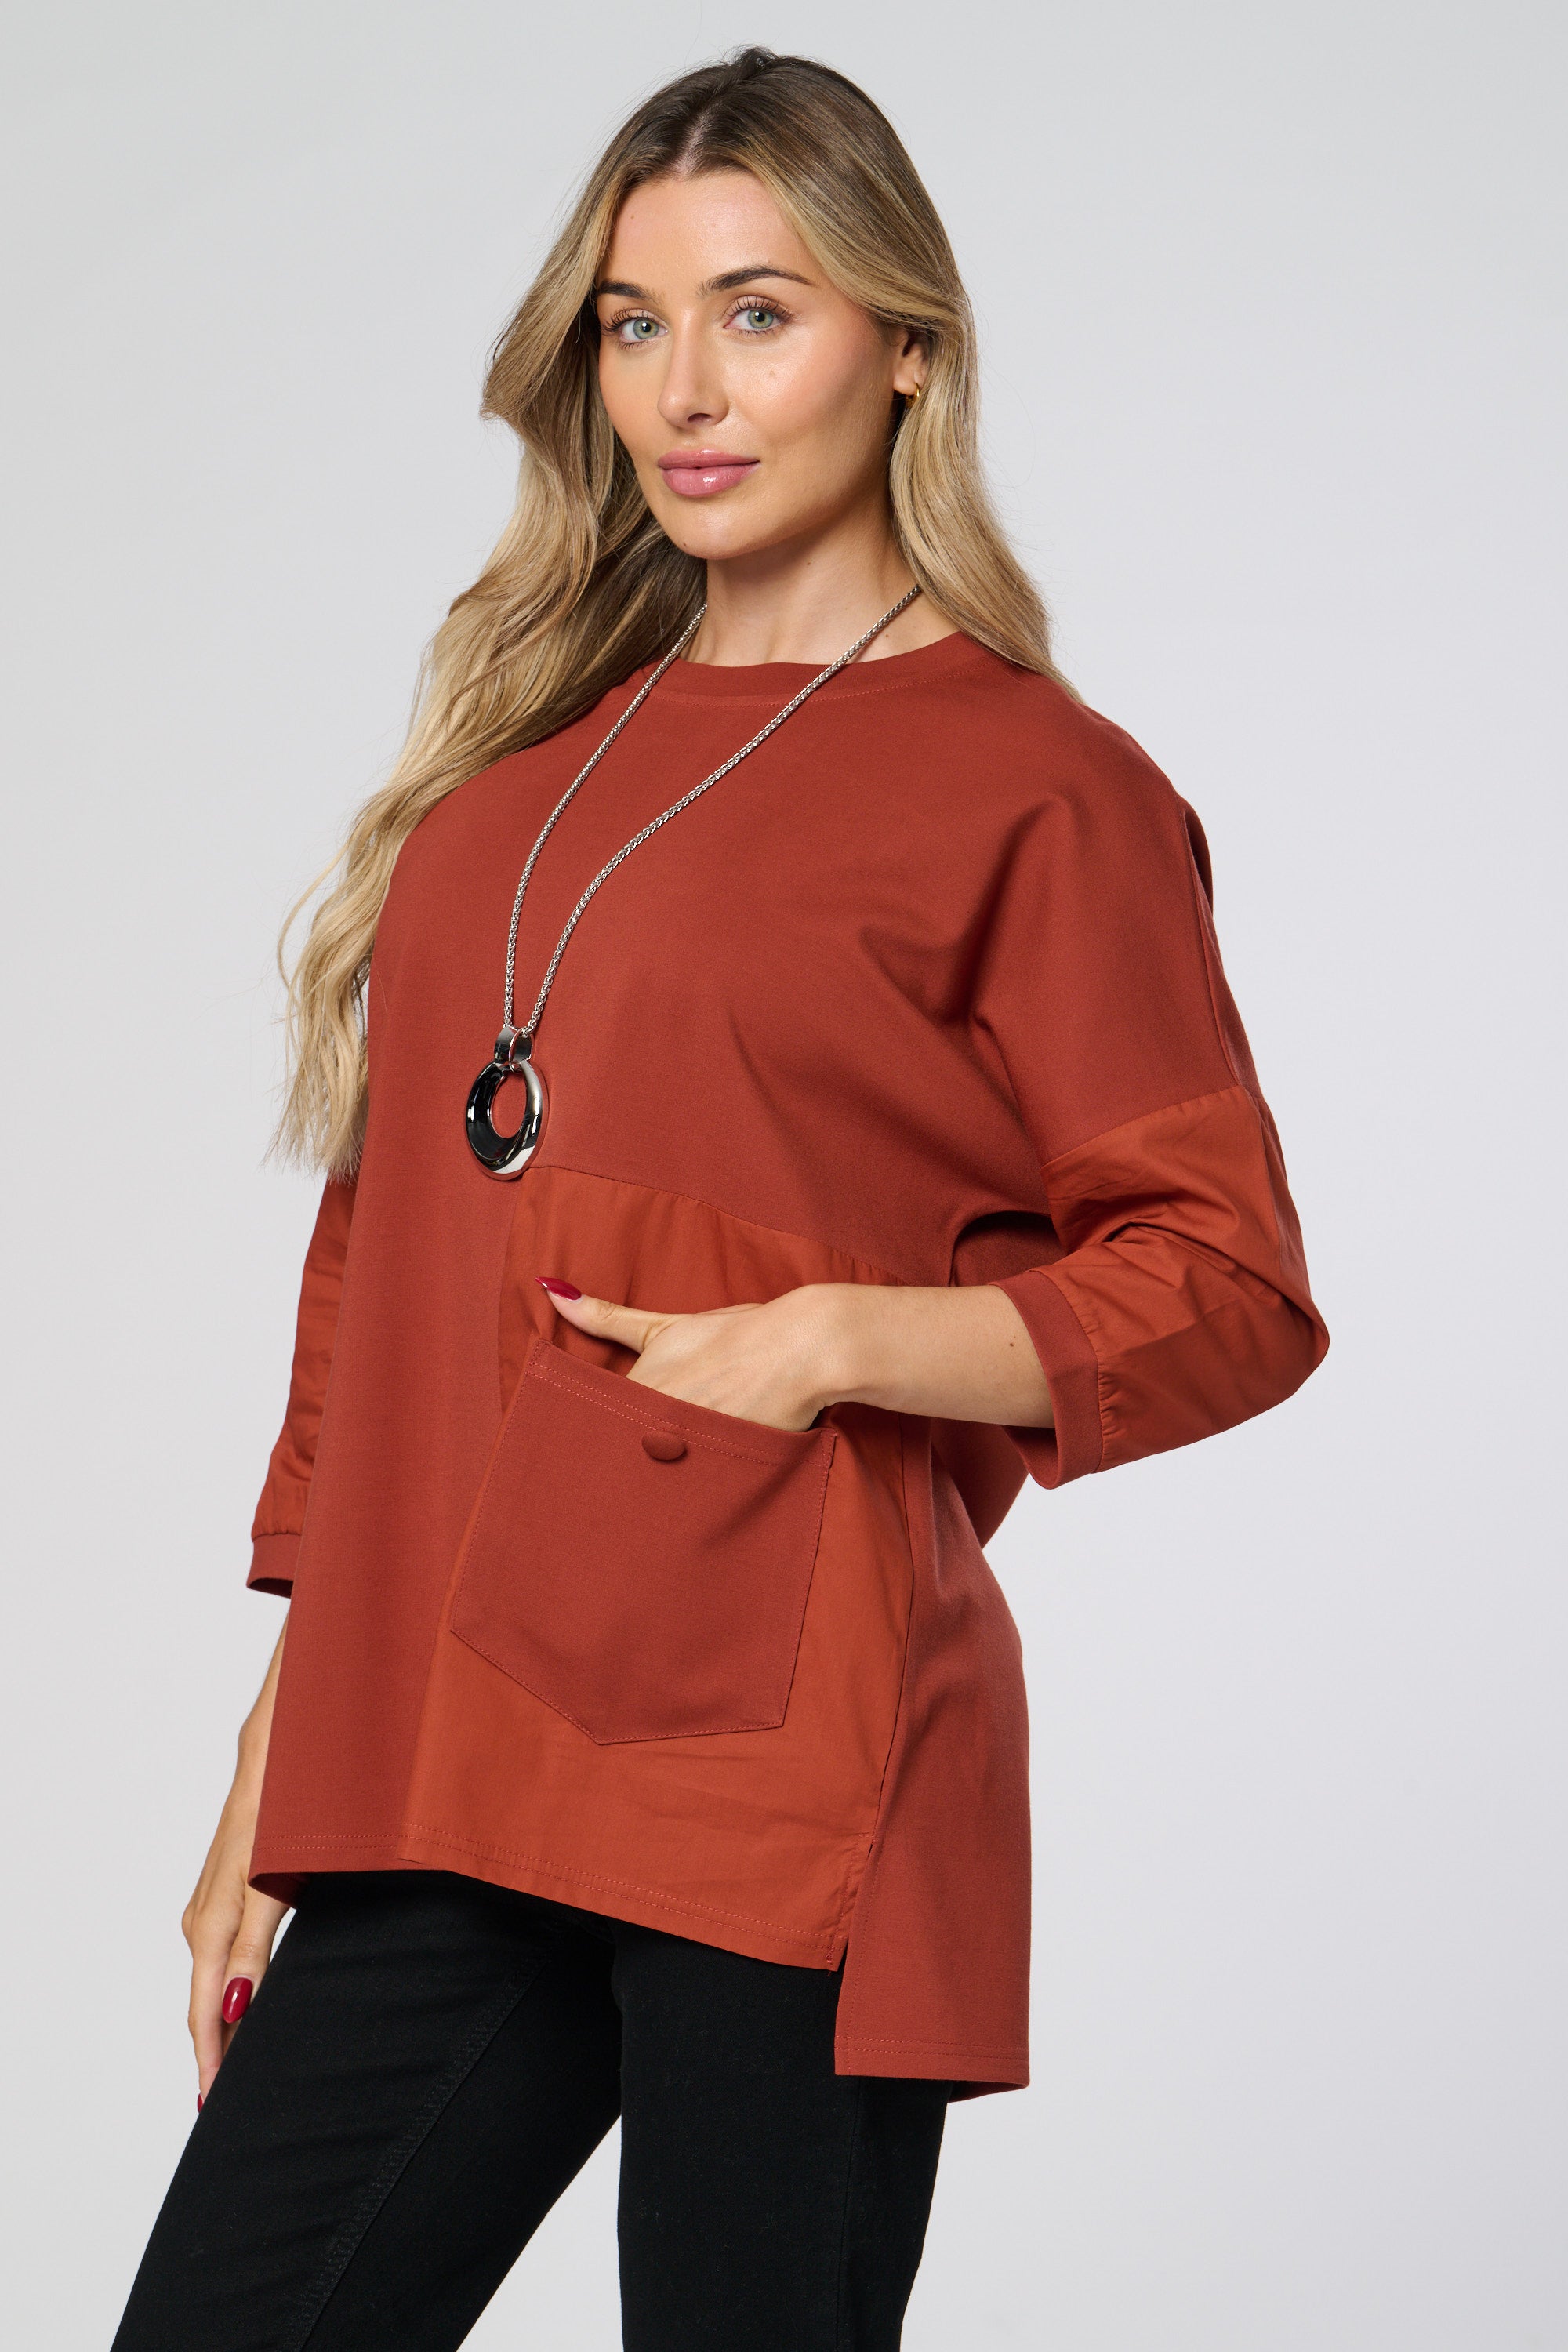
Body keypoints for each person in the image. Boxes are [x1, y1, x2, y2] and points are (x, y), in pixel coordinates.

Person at [111, 45, 1327, 2352]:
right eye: (633, 323)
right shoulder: (509, 782)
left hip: (781, 1753)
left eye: (759, 314)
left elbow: (1228, 1282)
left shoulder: (1040, 791)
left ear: (907, 344)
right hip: (438, 1744)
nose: (686, 388)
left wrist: (834, 1341)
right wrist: (278, 1757)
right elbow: (381, 1291)